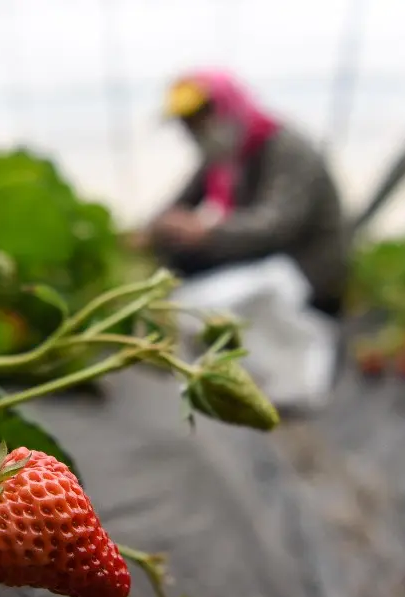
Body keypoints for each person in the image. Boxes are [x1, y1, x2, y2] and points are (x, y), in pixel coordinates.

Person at [134, 69, 351, 412]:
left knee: (204, 284)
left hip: (307, 273)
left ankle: (277, 383)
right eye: (188, 124)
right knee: (182, 263)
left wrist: (204, 232)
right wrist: (152, 230)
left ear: (228, 107)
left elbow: (276, 225)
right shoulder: (223, 157)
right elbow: (177, 204)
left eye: (202, 118)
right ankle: (241, 374)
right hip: (262, 264)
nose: (195, 130)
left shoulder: (286, 148)